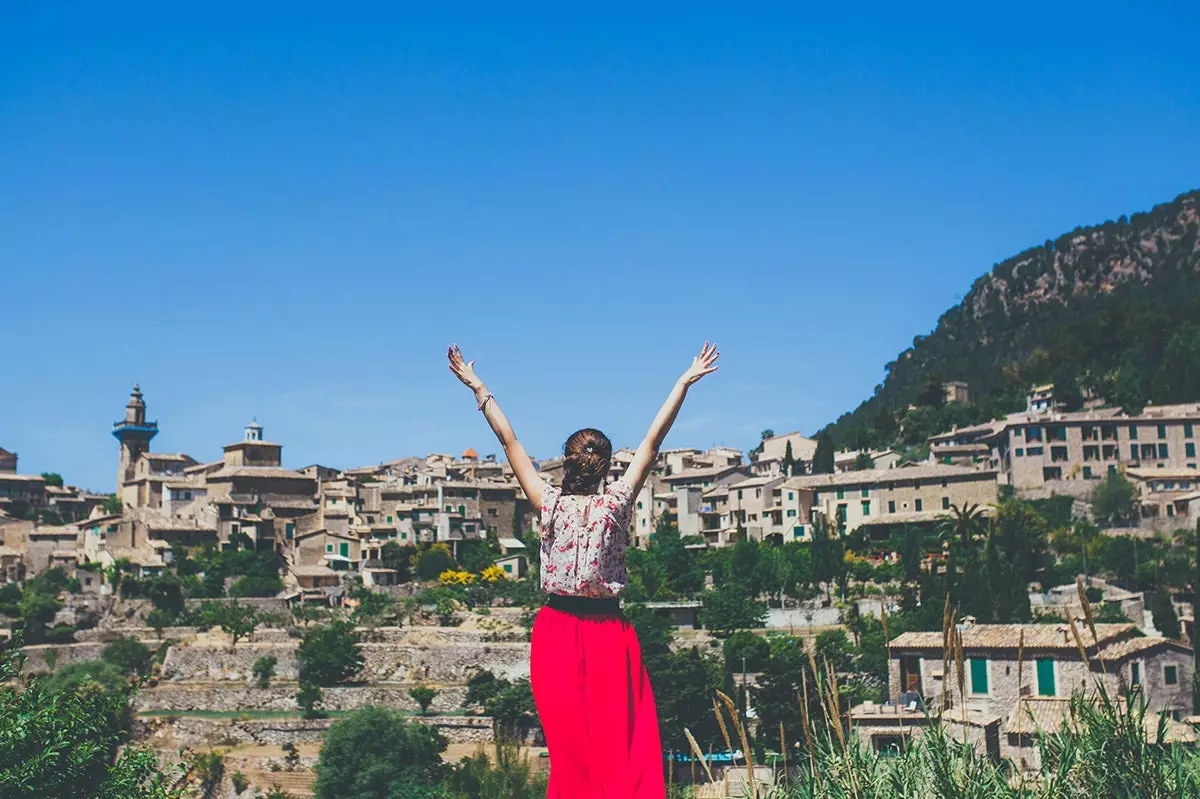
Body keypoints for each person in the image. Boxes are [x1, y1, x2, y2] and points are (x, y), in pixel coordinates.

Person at [447, 342, 720, 798]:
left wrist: (479, 387)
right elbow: (653, 441)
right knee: (622, 752)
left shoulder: (546, 502)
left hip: (556, 630)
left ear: (567, 461)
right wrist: (683, 382)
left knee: (571, 756)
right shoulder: (617, 503)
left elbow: (508, 441)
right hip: (609, 631)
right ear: (608, 465)